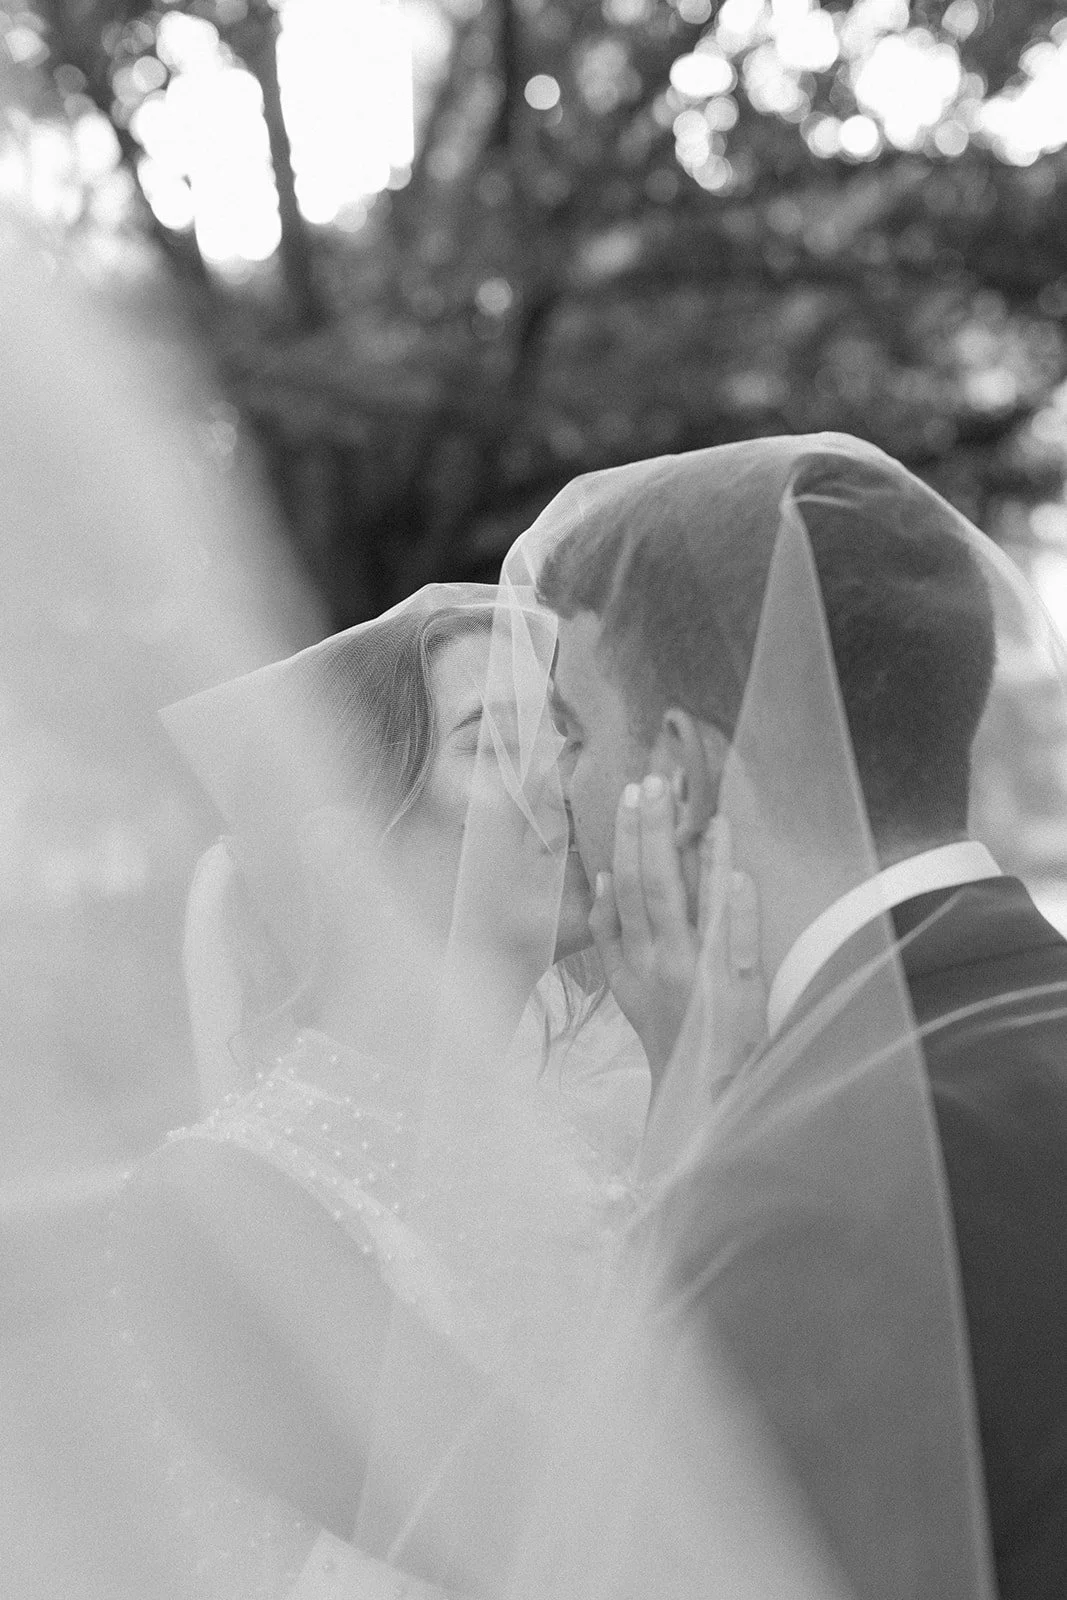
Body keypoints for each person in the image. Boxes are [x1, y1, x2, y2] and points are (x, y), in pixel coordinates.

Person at [519, 433, 1067, 1600]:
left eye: (571, 731)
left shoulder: (798, 1189)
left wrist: (700, 1139)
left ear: (680, 773)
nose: (546, 785)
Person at [115, 584, 645, 1597]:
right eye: (493, 739)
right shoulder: (217, 1201)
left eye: (563, 735)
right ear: (348, 848)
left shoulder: (602, 1144)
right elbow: (550, 1534)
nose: (560, 780)